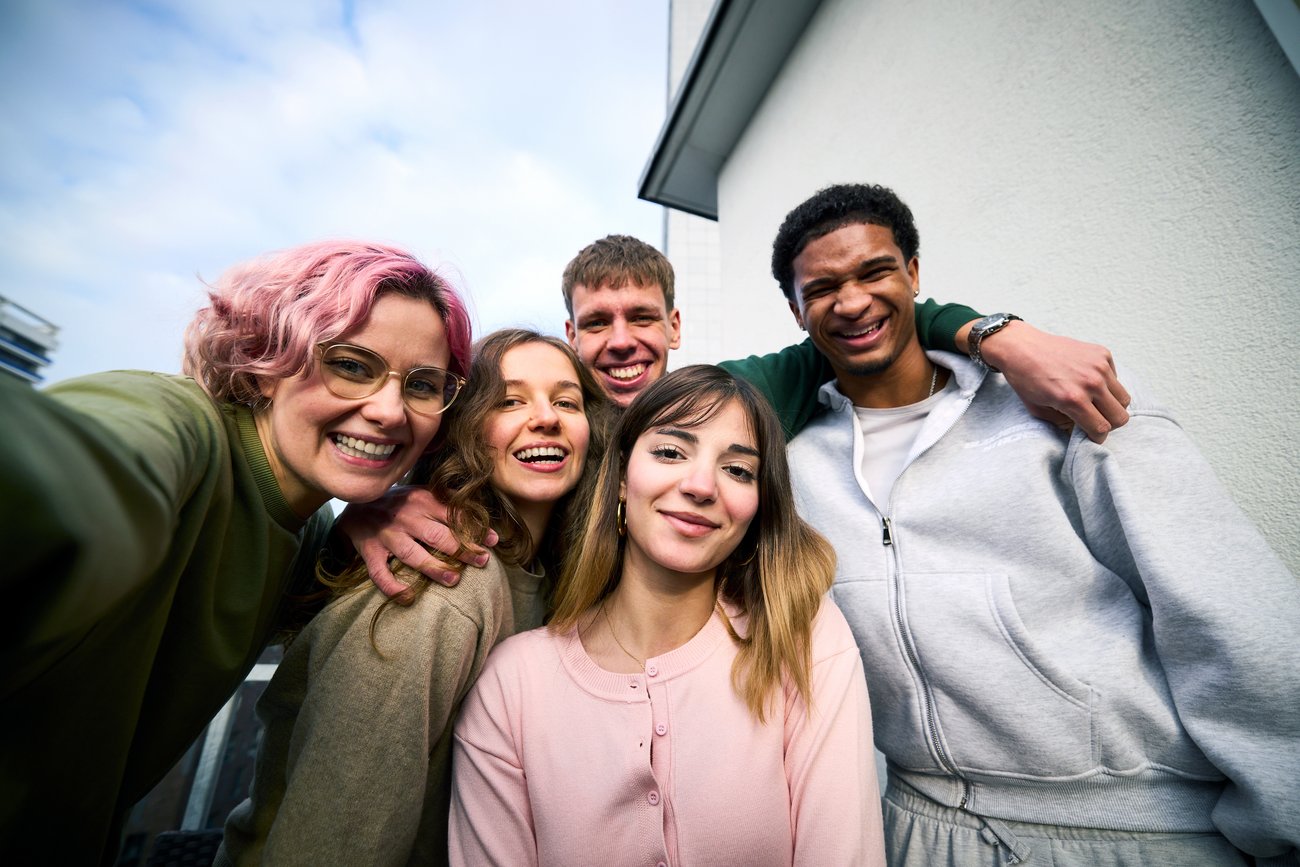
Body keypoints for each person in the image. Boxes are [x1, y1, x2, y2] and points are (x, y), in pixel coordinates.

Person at [775, 183, 1300, 865]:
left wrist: (1281, 827)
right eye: (822, 288)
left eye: (874, 271)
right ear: (795, 310)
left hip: (1141, 831)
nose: (851, 301)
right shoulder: (796, 460)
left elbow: (1225, 612)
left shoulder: (1063, 399)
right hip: (922, 829)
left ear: (913, 274)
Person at [0, 241, 472, 865]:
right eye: (351, 366)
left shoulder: (309, 529)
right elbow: (73, 472)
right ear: (265, 357)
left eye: (421, 385)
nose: (388, 411)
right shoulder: (178, 427)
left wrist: (350, 523)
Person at [349, 233, 1133, 593]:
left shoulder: (724, 397)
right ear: (571, 332)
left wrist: (1001, 335)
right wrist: (369, 511)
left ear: (676, 327)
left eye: (643, 317)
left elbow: (852, 324)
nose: (622, 341)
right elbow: (401, 458)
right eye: (598, 322)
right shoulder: (530, 420)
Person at [450, 365, 884, 866]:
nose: (701, 486)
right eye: (670, 452)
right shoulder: (512, 684)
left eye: (738, 470)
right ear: (618, 479)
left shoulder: (802, 638)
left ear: (759, 507)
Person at [216, 329, 609, 866]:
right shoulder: (444, 580)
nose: (547, 418)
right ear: (465, 427)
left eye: (567, 401)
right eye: (510, 401)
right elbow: (340, 837)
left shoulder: (550, 579)